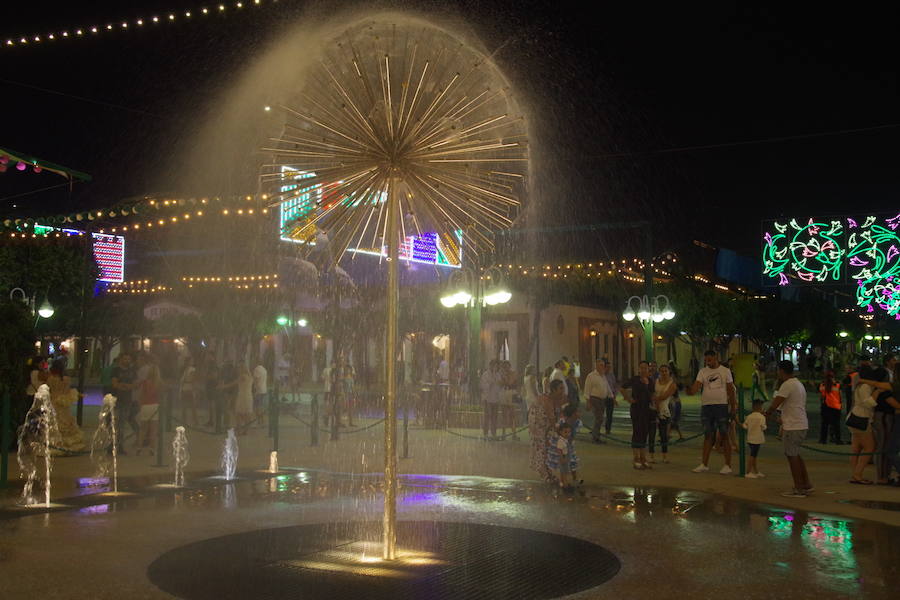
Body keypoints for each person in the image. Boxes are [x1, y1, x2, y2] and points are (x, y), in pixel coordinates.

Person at [765, 360, 813, 498]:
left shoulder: (787, 385)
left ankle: (799, 488)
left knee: (792, 456)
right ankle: (806, 484)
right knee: (796, 455)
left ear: (781, 371)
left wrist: (767, 414)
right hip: (800, 423)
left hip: (793, 425)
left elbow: (776, 403)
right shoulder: (798, 384)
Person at [688, 350, 736, 475]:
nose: (708, 362)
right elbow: (696, 387)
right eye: (706, 360)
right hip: (707, 407)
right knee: (708, 434)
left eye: (710, 359)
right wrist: (689, 390)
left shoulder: (725, 371)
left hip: (721, 406)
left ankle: (727, 464)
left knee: (724, 434)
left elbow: (731, 390)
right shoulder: (703, 372)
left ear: (716, 358)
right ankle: (704, 463)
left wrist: (733, 406)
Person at [858, 363, 900, 485]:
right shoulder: (892, 387)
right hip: (891, 418)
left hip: (893, 418)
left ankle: (884, 475)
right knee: (889, 448)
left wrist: (862, 380)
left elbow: (878, 385)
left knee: (889, 449)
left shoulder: (893, 386)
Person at [847, 366, 880, 484]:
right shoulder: (866, 386)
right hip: (861, 418)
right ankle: (858, 474)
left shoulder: (859, 385)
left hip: (854, 417)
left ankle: (855, 474)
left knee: (856, 448)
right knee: (869, 447)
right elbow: (868, 403)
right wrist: (876, 393)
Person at [528, 379, 566, 483]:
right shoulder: (547, 400)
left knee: (548, 447)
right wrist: (562, 434)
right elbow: (553, 420)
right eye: (560, 389)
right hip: (537, 425)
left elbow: (559, 415)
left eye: (563, 388)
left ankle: (548, 472)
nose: (563, 391)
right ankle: (544, 474)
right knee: (541, 448)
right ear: (553, 390)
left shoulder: (555, 400)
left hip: (545, 426)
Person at [45, 365, 87, 453]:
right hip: (63, 402)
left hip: (53, 401)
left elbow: (49, 390)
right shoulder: (66, 379)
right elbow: (68, 390)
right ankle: (67, 442)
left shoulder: (50, 379)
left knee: (55, 419)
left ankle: (54, 442)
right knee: (65, 419)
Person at [626, 361, 654, 470]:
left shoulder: (650, 381)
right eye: (641, 368)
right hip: (636, 410)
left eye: (645, 368)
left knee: (644, 433)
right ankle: (636, 459)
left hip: (647, 411)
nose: (643, 370)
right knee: (637, 433)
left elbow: (652, 394)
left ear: (648, 369)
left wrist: (654, 404)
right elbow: (623, 388)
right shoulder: (635, 379)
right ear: (639, 369)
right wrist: (629, 399)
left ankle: (643, 458)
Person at [649, 363, 676, 463]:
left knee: (664, 435)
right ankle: (651, 456)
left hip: (664, 412)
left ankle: (664, 456)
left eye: (666, 371)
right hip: (652, 410)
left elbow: (664, 396)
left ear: (669, 372)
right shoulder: (655, 381)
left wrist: (655, 399)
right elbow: (651, 394)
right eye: (662, 371)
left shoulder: (672, 384)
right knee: (651, 434)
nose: (664, 373)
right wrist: (654, 401)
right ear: (659, 372)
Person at [111, 353, 137, 454]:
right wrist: (125, 386)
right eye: (125, 359)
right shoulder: (116, 370)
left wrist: (125, 386)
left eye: (128, 359)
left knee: (122, 423)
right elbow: (114, 384)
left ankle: (120, 445)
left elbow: (135, 384)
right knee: (115, 423)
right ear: (121, 359)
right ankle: (112, 444)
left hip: (127, 400)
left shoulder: (132, 371)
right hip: (116, 400)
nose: (127, 361)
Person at [136, 354, 161, 455]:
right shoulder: (158, 383)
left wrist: (140, 404)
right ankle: (152, 449)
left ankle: (139, 447)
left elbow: (141, 395)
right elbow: (160, 395)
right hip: (154, 406)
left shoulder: (145, 382)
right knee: (153, 430)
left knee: (143, 429)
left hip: (145, 406)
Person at [584, 359, 610, 444]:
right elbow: (587, 389)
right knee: (599, 418)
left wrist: (612, 396)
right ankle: (595, 437)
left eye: (603, 365)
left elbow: (607, 386)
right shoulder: (591, 376)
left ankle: (596, 435)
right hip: (595, 399)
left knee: (600, 419)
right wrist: (588, 402)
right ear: (596, 366)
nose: (602, 367)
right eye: (600, 365)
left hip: (602, 400)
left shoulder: (603, 376)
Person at [742, 399, 767, 478]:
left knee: (754, 455)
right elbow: (763, 427)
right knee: (753, 455)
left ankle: (756, 471)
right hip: (757, 439)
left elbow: (744, 426)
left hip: (750, 438)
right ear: (760, 407)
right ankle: (748, 472)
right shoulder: (762, 417)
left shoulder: (749, 416)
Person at [818, 370, 843, 444]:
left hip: (825, 406)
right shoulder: (837, 385)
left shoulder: (822, 385)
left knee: (824, 424)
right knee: (836, 424)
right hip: (835, 406)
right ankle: (837, 440)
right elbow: (840, 395)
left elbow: (821, 396)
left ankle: (823, 440)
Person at [548, 422, 574, 493]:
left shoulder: (565, 440)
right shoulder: (560, 441)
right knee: (564, 472)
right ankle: (565, 486)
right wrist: (562, 458)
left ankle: (563, 484)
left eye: (569, 432)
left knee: (564, 472)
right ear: (560, 432)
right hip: (563, 458)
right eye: (565, 432)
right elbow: (559, 450)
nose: (567, 434)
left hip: (566, 458)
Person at [480, 360, 501, 440]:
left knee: (494, 417)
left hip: (495, 398)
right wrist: (490, 383)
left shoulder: (498, 374)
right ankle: (485, 433)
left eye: (496, 366)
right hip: (487, 398)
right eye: (493, 365)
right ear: (490, 365)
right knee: (487, 416)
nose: (495, 367)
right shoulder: (485, 374)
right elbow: (483, 385)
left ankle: (493, 433)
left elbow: (499, 385)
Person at [235, 363, 254, 435]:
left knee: (238, 414)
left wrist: (223, 386)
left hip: (242, 396)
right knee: (247, 414)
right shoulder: (250, 377)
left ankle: (239, 431)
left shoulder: (242, 376)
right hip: (249, 396)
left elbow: (234, 383)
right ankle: (245, 430)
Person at [602, 358, 619, 434]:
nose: (609, 368)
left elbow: (615, 385)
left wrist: (615, 395)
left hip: (610, 397)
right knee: (600, 414)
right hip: (602, 397)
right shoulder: (601, 375)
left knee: (609, 414)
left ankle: (608, 429)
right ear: (604, 367)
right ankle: (597, 428)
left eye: (610, 367)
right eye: (607, 367)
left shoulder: (611, 375)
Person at [180, 356, 198, 426]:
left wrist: (194, 389)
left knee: (191, 406)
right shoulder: (187, 369)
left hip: (188, 389)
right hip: (186, 388)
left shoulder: (191, 369)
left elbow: (193, 380)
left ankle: (194, 421)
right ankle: (187, 420)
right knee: (188, 406)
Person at [252, 359, 268, 428]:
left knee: (257, 407)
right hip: (264, 390)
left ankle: (260, 421)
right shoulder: (264, 369)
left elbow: (256, 379)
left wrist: (255, 390)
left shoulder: (256, 369)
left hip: (258, 390)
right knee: (260, 406)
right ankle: (261, 421)